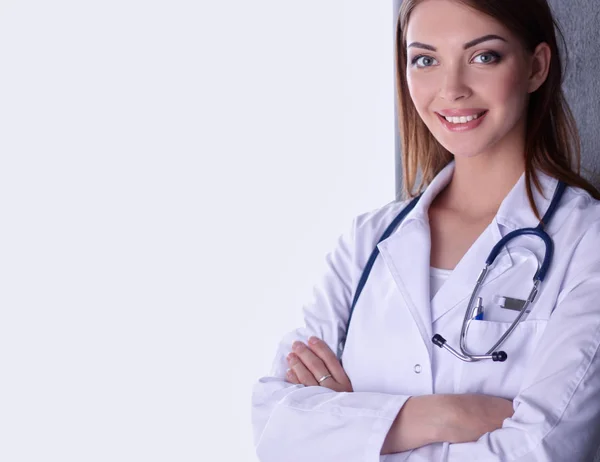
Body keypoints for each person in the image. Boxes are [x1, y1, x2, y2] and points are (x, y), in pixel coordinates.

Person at [251, 0, 600, 460]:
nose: (451, 89)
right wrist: (446, 416)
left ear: (536, 67)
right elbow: (276, 428)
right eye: (426, 59)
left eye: (483, 56)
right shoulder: (367, 241)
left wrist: (355, 427)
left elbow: (536, 450)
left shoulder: (586, 241)